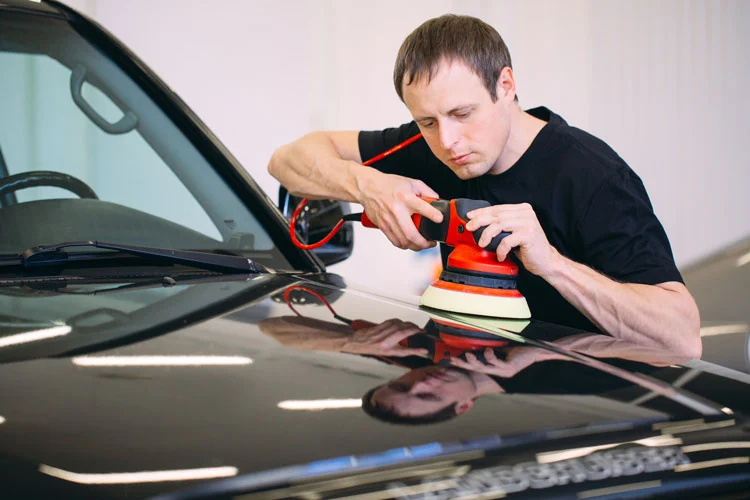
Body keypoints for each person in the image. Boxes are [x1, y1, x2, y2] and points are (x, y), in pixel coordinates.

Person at [268, 14, 701, 358]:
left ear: (506, 86)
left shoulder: (593, 178)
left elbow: (681, 338)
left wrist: (553, 264)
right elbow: (287, 159)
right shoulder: (431, 142)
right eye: (427, 122)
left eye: (463, 113)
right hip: (477, 399)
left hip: (583, 422)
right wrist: (368, 186)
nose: (447, 142)